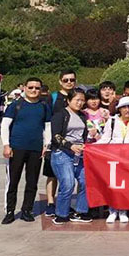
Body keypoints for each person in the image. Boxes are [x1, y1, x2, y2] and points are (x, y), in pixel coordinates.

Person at [0, 77, 52, 224]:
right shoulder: (16, 105)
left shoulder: (44, 106)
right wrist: (6, 144)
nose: (34, 90)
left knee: (32, 181)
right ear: (24, 88)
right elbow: (4, 125)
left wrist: (46, 145)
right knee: (13, 181)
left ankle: (27, 210)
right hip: (16, 148)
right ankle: (9, 211)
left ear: (41, 90)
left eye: (37, 88)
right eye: (31, 87)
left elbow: (47, 126)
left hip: (36, 149)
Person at [49, 88, 92, 224]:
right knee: (68, 183)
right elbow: (56, 135)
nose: (80, 103)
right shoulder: (60, 114)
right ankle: (61, 213)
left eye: (82, 100)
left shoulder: (83, 116)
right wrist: (70, 146)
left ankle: (81, 211)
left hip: (79, 154)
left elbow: (84, 135)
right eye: (77, 100)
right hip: (63, 153)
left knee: (85, 181)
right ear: (68, 100)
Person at [98, 96, 129, 224]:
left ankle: (123, 210)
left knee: (127, 185)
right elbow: (105, 138)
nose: (127, 110)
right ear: (119, 109)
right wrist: (91, 147)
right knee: (113, 184)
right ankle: (113, 210)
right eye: (124, 107)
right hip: (113, 157)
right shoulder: (112, 121)